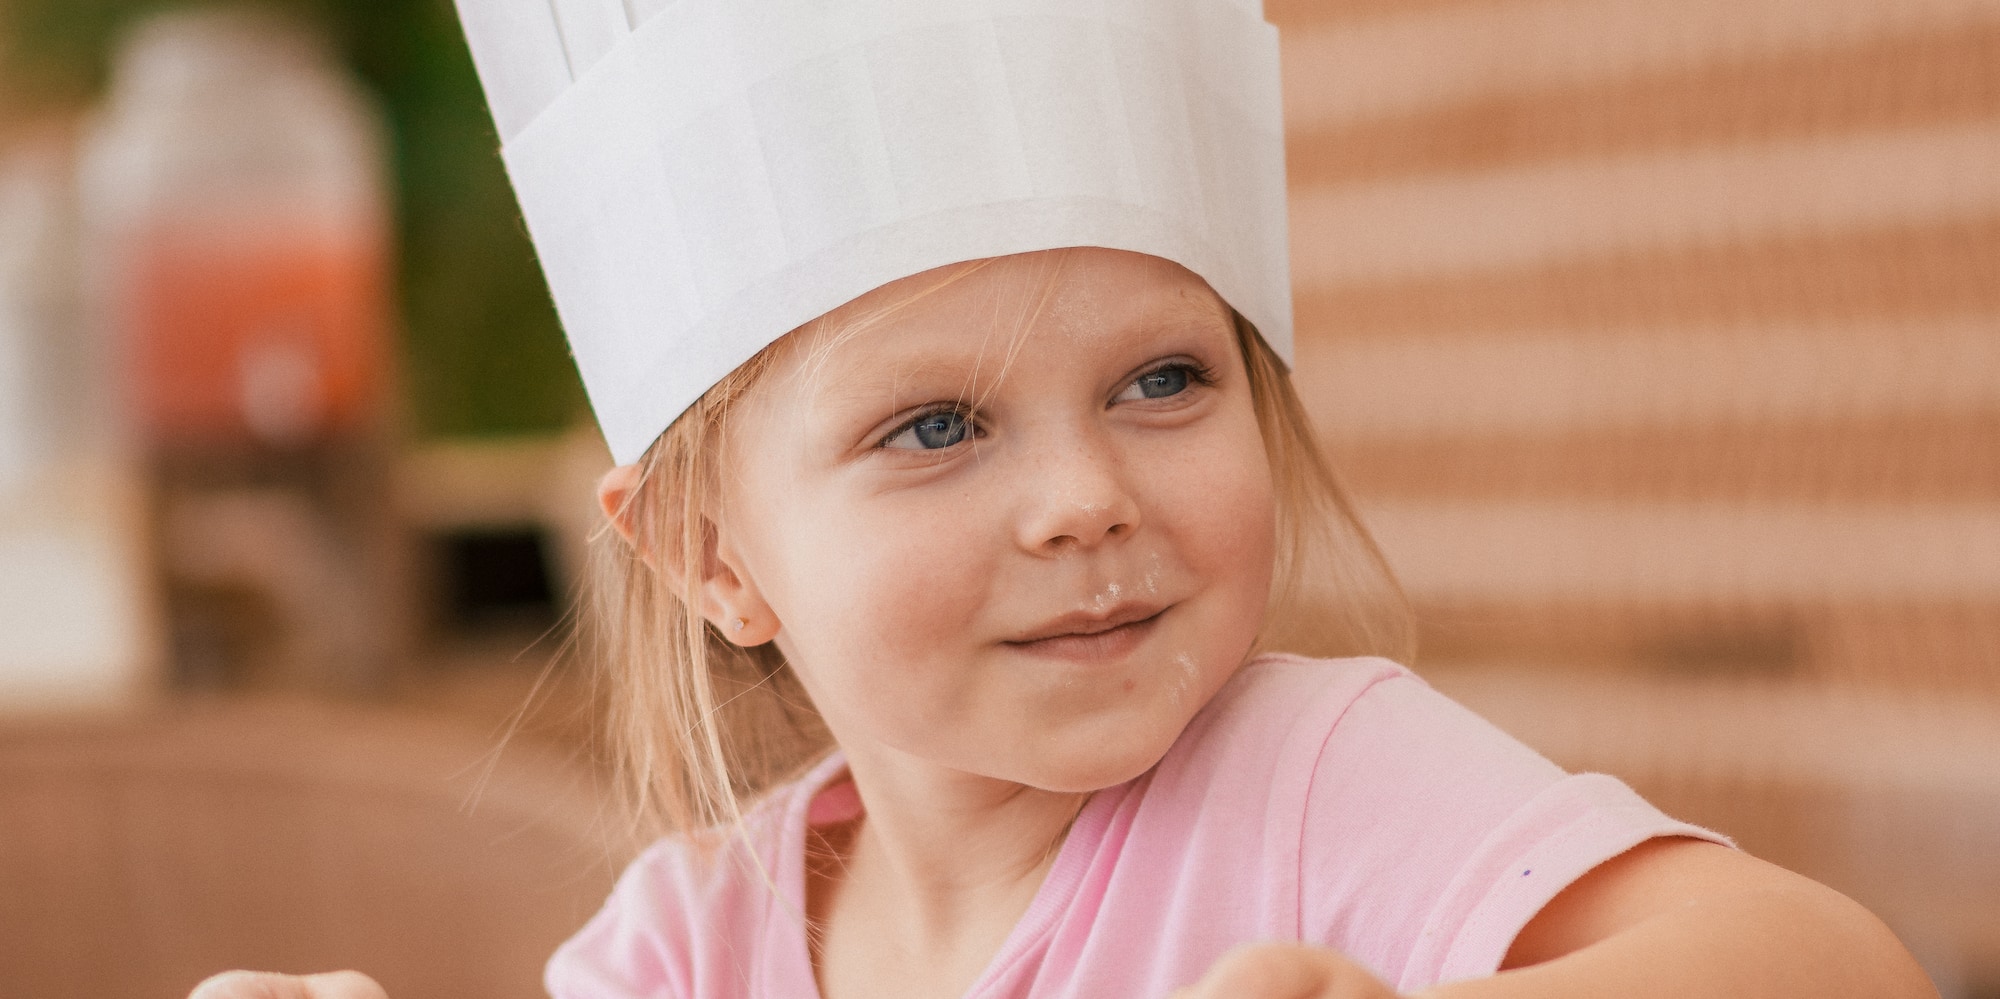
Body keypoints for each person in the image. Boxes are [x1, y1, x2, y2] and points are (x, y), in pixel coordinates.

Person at [192, 2, 1935, 998]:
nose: (1086, 496)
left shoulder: (1315, 781)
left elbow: (1831, 969)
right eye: (938, 425)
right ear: (713, 554)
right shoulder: (692, 944)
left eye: (1165, 382)